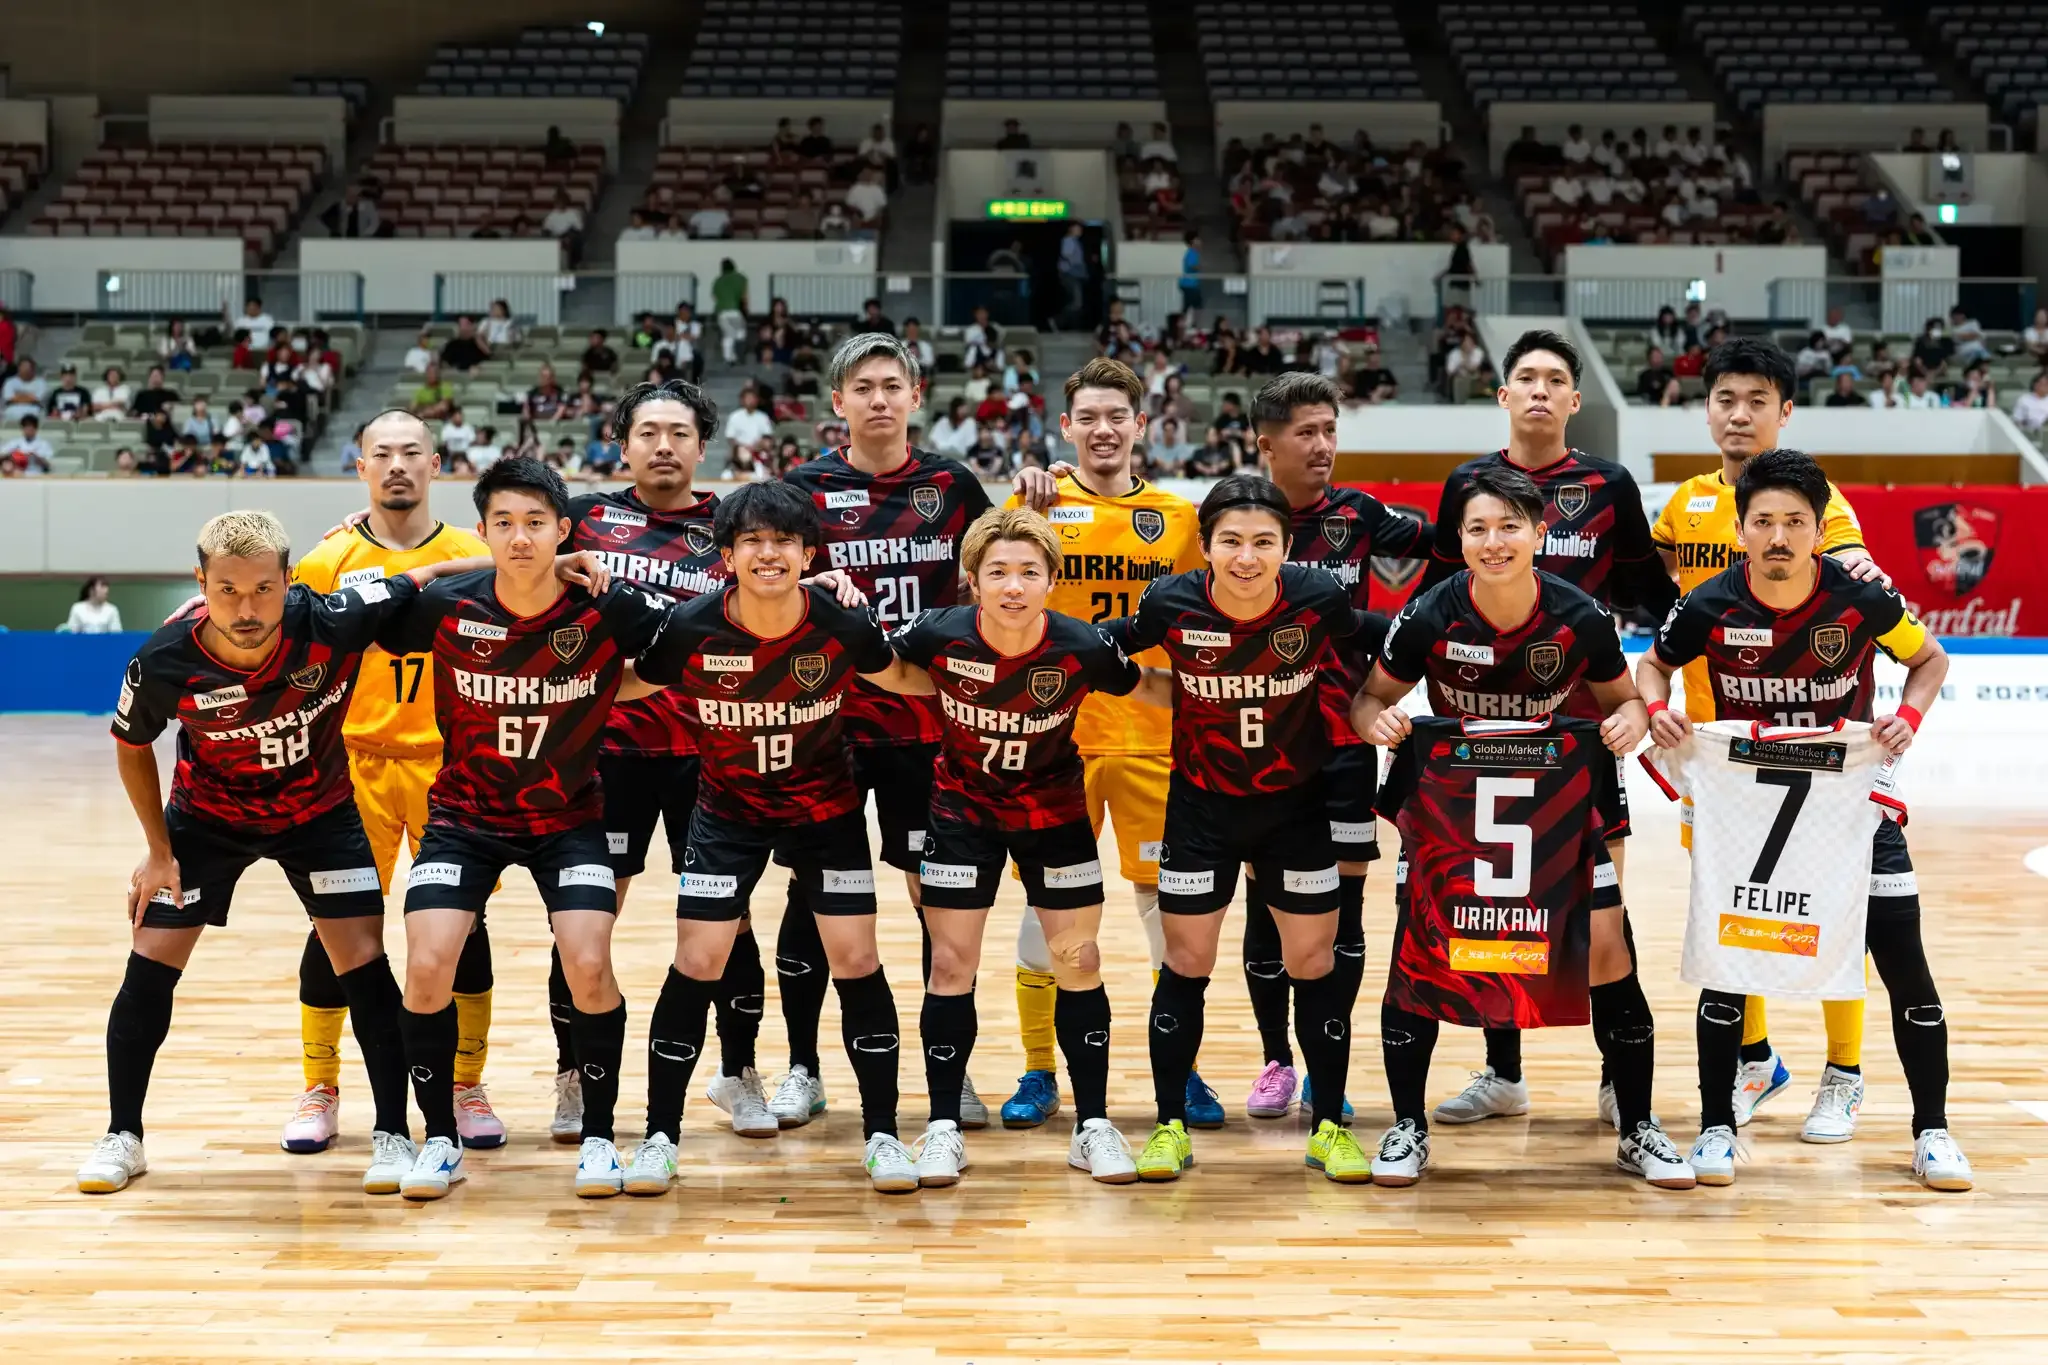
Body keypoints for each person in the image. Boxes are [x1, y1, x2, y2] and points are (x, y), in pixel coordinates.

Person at [77, 510, 504, 1196]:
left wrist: (532, 566)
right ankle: (122, 1134)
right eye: (226, 591)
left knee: (364, 967)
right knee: (149, 964)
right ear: (201, 583)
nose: (246, 610)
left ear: (288, 581)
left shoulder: (332, 616)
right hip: (206, 820)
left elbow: (425, 574)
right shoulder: (165, 657)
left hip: (320, 816)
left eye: (262, 590)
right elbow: (131, 744)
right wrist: (158, 851)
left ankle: (392, 1131)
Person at [1638, 448, 1971, 1192]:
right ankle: (1718, 1125)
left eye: (1795, 521)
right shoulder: (1708, 603)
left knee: (1904, 966)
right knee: (1726, 969)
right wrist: (1658, 709)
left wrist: (1908, 718)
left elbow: (1932, 660)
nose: (1779, 536)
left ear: (1820, 530)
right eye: (1764, 522)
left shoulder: (1860, 598)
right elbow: (1652, 666)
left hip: (1851, 809)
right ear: (1741, 527)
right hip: (1744, 817)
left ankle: (1933, 1132)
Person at [1354, 463, 1690, 1190]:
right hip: (1456, 812)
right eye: (1477, 528)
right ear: (1460, 539)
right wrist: (1379, 719)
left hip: (1564, 810)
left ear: (1541, 532)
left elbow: (1624, 701)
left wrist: (1631, 721)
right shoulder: (1431, 612)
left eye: (1509, 526)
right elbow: (1368, 699)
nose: (1493, 541)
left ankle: (1637, 1126)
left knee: (1607, 948)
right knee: (1426, 950)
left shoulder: (1579, 614)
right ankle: (1407, 1126)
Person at [776, 335, 1058, 1132]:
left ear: (915, 396)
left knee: (941, 902)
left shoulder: (951, 483)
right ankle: (802, 1066)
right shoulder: (803, 489)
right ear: (838, 403)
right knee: (815, 895)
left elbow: (1008, 555)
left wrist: (1032, 493)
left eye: (890, 385)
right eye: (860, 387)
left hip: (926, 726)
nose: (877, 399)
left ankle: (952, 1072)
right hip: (826, 723)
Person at [373, 457, 674, 1201]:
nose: (519, 538)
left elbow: (681, 646)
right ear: (482, 531)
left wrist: (613, 688)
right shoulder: (447, 602)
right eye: (503, 523)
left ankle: (600, 1135)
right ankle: (438, 1137)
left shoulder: (602, 606)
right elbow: (353, 612)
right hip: (464, 817)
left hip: (570, 820)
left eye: (536, 523)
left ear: (565, 531)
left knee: (589, 961)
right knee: (426, 962)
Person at [624, 482, 924, 1192]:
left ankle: (882, 1132)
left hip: (826, 810)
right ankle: (659, 1136)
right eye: (752, 541)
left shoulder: (842, 622)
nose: (769, 552)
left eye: (784, 540)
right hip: (726, 812)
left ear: (808, 552)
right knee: (698, 957)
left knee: (856, 957)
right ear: (727, 554)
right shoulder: (692, 625)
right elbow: (631, 683)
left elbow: (906, 676)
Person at [1417, 330, 1674, 1128]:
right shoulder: (1469, 483)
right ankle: (1504, 1073)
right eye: (1523, 376)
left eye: (1554, 379)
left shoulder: (1608, 482)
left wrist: (1661, 686)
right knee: (1497, 905)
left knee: (1600, 919)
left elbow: (1654, 595)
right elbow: (1434, 592)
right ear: (1502, 395)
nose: (1538, 389)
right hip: (1483, 735)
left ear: (1573, 400)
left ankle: (1614, 1077)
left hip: (1581, 741)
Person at [1105, 475, 1381, 1184]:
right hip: (1200, 811)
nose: (1247, 556)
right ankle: (1169, 1125)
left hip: (1296, 808)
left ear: (1288, 547)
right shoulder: (1172, 601)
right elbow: (1108, 646)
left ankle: (1327, 1128)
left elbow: (1387, 643)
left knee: (1314, 965)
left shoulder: (1318, 598)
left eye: (1263, 542)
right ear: (1206, 546)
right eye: (1231, 540)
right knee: (1186, 964)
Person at [1648, 338, 1891, 1138]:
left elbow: (1856, 572)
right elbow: (1658, 601)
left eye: (1758, 400)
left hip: (1816, 756)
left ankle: (1845, 1071)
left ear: (1786, 412)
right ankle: (1755, 1059)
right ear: (1707, 408)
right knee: (1732, 906)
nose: (1739, 413)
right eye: (1725, 399)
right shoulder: (1683, 504)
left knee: (1833, 909)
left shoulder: (1822, 508)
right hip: (1716, 759)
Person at [887, 507, 1172, 1186]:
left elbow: (1151, 690)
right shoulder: (936, 634)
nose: (1013, 585)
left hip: (1055, 813)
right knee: (950, 966)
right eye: (998, 572)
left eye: (1028, 572)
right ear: (973, 580)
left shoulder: (1081, 644)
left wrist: (1223, 678)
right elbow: (881, 668)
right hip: (960, 813)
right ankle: (943, 1127)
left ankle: (1092, 1125)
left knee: (1079, 958)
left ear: (1051, 579)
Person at [995, 359, 1212, 1129]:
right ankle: (1036, 1072)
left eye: (1117, 414)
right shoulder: (1034, 504)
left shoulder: (1179, 518)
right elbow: (992, 588)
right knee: (1046, 917)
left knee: (1169, 917)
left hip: (1157, 740)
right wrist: (1023, 491)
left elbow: (1205, 623)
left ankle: (1180, 1075)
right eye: (1087, 416)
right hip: (1058, 743)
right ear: (1066, 428)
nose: (1103, 429)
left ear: (1142, 425)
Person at [282, 412, 500, 1153]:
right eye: (383, 454)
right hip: (351, 768)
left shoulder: (477, 554)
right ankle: (320, 1084)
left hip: (452, 767)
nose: (398, 464)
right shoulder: (326, 560)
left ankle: (466, 1083)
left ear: (437, 464)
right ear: (361, 467)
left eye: (412, 452)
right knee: (336, 931)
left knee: (462, 928)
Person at [1243, 373, 1431, 1123]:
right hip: (1258, 745)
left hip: (1347, 745)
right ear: (1266, 444)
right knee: (1266, 906)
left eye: (1330, 429)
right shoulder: (1235, 518)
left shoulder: (1359, 513)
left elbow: (1454, 542)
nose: (1323, 446)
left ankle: (1328, 1069)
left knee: (1346, 906)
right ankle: (1275, 1061)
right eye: (1306, 433)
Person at [721, 386, 776, 474]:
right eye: (748, 398)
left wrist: (755, 447)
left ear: (757, 400)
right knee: (737, 453)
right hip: (740, 449)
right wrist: (742, 448)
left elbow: (767, 437)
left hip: (758, 448)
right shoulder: (735, 416)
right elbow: (730, 438)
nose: (750, 400)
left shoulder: (763, 417)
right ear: (742, 400)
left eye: (753, 398)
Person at [712, 259, 750, 365]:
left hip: (722, 312)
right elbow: (744, 296)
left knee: (728, 335)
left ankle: (728, 358)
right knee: (740, 333)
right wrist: (746, 310)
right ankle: (739, 356)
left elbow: (714, 296)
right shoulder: (741, 278)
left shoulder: (718, 280)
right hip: (736, 310)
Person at [1057, 223, 1090, 330]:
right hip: (1069, 274)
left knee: (1075, 302)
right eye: (1077, 229)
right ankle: (1058, 321)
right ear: (1071, 229)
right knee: (1076, 302)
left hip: (1074, 274)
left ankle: (1070, 324)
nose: (1080, 231)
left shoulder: (1075, 242)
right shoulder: (1069, 241)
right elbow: (1067, 255)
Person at [1178, 232, 1203, 316]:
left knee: (1191, 306)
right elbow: (1192, 266)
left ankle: (1192, 323)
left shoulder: (1194, 253)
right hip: (1189, 284)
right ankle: (1192, 324)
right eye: (1197, 239)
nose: (1200, 241)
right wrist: (1202, 267)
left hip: (1192, 284)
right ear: (1193, 241)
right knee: (1194, 306)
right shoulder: (1191, 252)